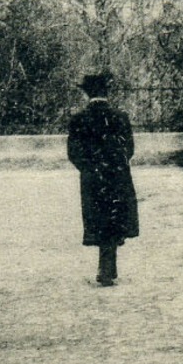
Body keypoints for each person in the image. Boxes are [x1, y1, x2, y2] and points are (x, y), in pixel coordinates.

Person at [65, 72, 139, 286]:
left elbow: (73, 152)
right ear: (107, 92)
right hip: (117, 177)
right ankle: (107, 267)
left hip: (92, 178)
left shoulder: (79, 119)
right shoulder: (120, 117)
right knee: (114, 219)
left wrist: (89, 168)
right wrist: (114, 165)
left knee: (99, 219)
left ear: (87, 94)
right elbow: (129, 149)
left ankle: (106, 267)